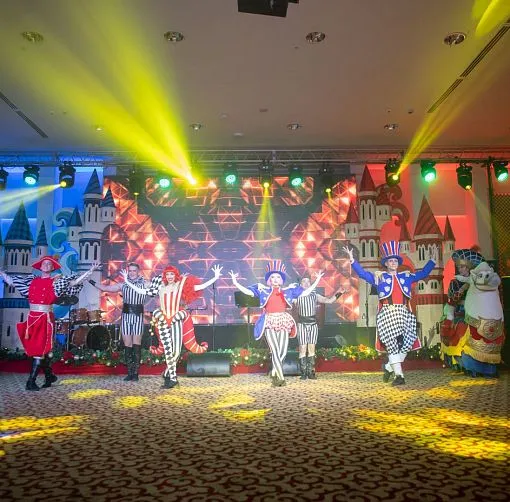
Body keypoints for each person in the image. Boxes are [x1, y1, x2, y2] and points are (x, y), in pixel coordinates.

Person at [343, 241, 436, 385]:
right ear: (386, 263)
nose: (393, 263)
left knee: (407, 343)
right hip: (388, 313)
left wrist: (432, 261)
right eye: (390, 261)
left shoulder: (406, 277)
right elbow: (362, 274)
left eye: (395, 261)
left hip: (404, 314)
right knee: (392, 345)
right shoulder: (380, 278)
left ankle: (388, 367)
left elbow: (423, 273)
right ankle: (399, 376)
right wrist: (352, 260)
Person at [0, 256, 100, 391]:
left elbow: (75, 282)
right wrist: (2, 274)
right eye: (44, 263)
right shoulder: (32, 280)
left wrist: (90, 271)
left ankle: (31, 381)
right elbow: (13, 282)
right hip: (32, 319)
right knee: (39, 350)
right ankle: (49, 376)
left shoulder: (57, 282)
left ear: (52, 268)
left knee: (39, 349)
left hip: (45, 319)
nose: (46, 265)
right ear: (40, 267)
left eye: (49, 264)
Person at [122, 264, 222, 388]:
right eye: (167, 274)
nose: (169, 276)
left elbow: (199, 287)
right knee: (168, 350)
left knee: (176, 352)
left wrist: (215, 277)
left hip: (176, 320)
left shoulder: (180, 285)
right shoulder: (160, 286)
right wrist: (127, 281)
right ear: (165, 275)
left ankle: (167, 373)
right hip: (163, 321)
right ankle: (173, 379)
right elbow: (142, 291)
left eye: (172, 274)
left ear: (175, 275)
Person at [229, 260, 323, 387]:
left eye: (278, 277)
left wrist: (317, 280)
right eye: (272, 277)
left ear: (281, 279)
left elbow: (305, 292)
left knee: (282, 351)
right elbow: (248, 292)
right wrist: (235, 282)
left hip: (283, 321)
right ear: (269, 280)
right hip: (269, 322)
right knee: (275, 350)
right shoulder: (263, 291)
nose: (275, 279)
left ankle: (274, 372)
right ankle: (280, 378)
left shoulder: (287, 291)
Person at [90, 262, 148, 382]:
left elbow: (158, 286)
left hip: (138, 316)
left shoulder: (145, 284)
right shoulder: (123, 285)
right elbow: (105, 288)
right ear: (127, 271)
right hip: (126, 316)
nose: (132, 273)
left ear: (138, 272)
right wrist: (89, 279)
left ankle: (136, 373)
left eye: (134, 271)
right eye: (130, 271)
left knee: (136, 344)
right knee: (128, 345)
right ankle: (130, 372)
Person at [294, 276, 346, 380]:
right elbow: (292, 303)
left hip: (313, 324)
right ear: (300, 284)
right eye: (304, 281)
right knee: (303, 348)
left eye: (308, 282)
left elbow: (329, 301)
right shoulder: (297, 296)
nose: (306, 283)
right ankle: (303, 373)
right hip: (302, 324)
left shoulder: (315, 295)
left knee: (311, 348)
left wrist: (339, 293)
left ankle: (311, 372)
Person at [440, 248, 483, 371]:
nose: (460, 269)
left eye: (463, 267)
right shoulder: (455, 282)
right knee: (461, 325)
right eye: (459, 267)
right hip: (460, 310)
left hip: (477, 310)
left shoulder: (478, 280)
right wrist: (463, 289)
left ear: (469, 268)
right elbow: (453, 299)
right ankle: (460, 360)